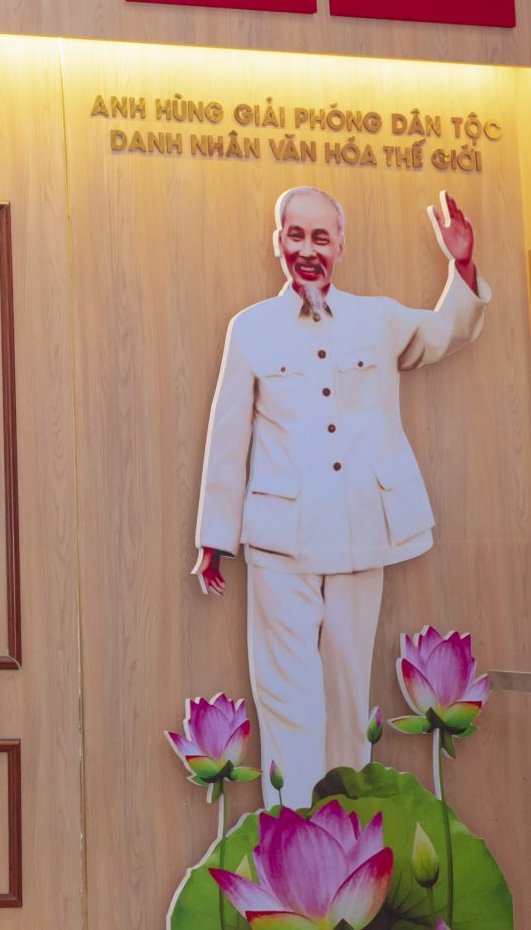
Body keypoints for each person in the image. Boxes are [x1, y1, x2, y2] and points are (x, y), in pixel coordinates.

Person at [194, 187, 485, 809]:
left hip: (361, 536)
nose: (307, 249)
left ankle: (345, 832)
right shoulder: (250, 328)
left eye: (320, 237)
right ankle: (291, 828)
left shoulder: (377, 319)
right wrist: (215, 537)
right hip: (280, 545)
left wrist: (461, 265)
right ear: (278, 242)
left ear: (340, 246)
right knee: (287, 698)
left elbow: (443, 332)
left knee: (349, 695)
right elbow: (228, 435)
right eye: (295, 235)